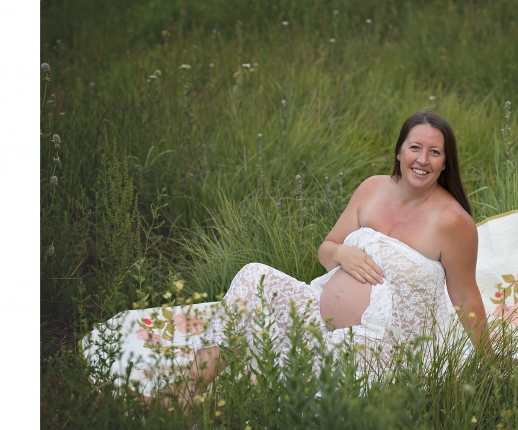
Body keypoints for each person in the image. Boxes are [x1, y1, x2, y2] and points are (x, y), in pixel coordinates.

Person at [155, 111, 488, 409]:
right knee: (253, 275)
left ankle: (197, 410)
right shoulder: (372, 188)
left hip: (383, 343)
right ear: (399, 151)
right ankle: (183, 393)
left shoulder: (452, 222)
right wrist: (342, 252)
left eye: (435, 152)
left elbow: (465, 295)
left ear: (445, 163)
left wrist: (489, 360)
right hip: (320, 313)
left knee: (286, 374)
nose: (423, 159)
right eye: (415, 147)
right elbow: (327, 248)